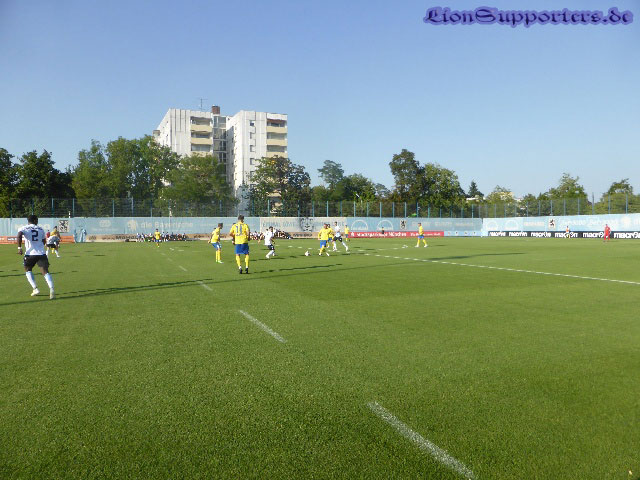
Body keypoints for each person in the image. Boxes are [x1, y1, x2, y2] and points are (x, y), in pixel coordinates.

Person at [17, 215, 55, 299]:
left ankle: (35, 288)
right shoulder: (40, 229)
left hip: (30, 254)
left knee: (27, 269)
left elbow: (19, 235)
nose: (37, 221)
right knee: (45, 271)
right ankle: (51, 289)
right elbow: (44, 241)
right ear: (34, 220)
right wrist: (44, 246)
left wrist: (19, 247)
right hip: (41, 253)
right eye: (37, 220)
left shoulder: (24, 228)